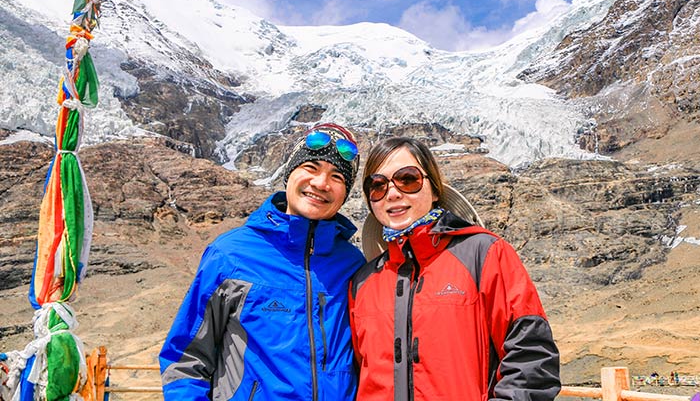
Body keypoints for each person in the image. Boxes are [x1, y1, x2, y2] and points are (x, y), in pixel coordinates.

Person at [159, 123, 366, 400]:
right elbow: (185, 362)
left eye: (337, 176)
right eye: (311, 168)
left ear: (344, 194)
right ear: (289, 173)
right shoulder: (230, 255)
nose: (321, 183)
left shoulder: (353, 265)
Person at [349, 137, 561, 400]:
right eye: (378, 185)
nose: (392, 193)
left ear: (434, 189)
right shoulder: (362, 282)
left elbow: (531, 358)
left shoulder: (485, 254)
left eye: (407, 179)